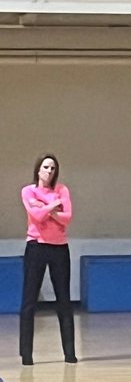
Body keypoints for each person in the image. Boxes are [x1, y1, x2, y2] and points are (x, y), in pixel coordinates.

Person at [19, 153, 76, 366]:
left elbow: (67, 217)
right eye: (46, 167)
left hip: (59, 248)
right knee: (29, 301)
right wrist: (53, 208)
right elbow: (37, 216)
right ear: (38, 169)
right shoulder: (28, 191)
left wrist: (45, 209)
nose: (49, 171)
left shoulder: (62, 190)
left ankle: (70, 353)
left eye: (52, 168)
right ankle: (26, 354)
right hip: (36, 246)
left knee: (64, 301)